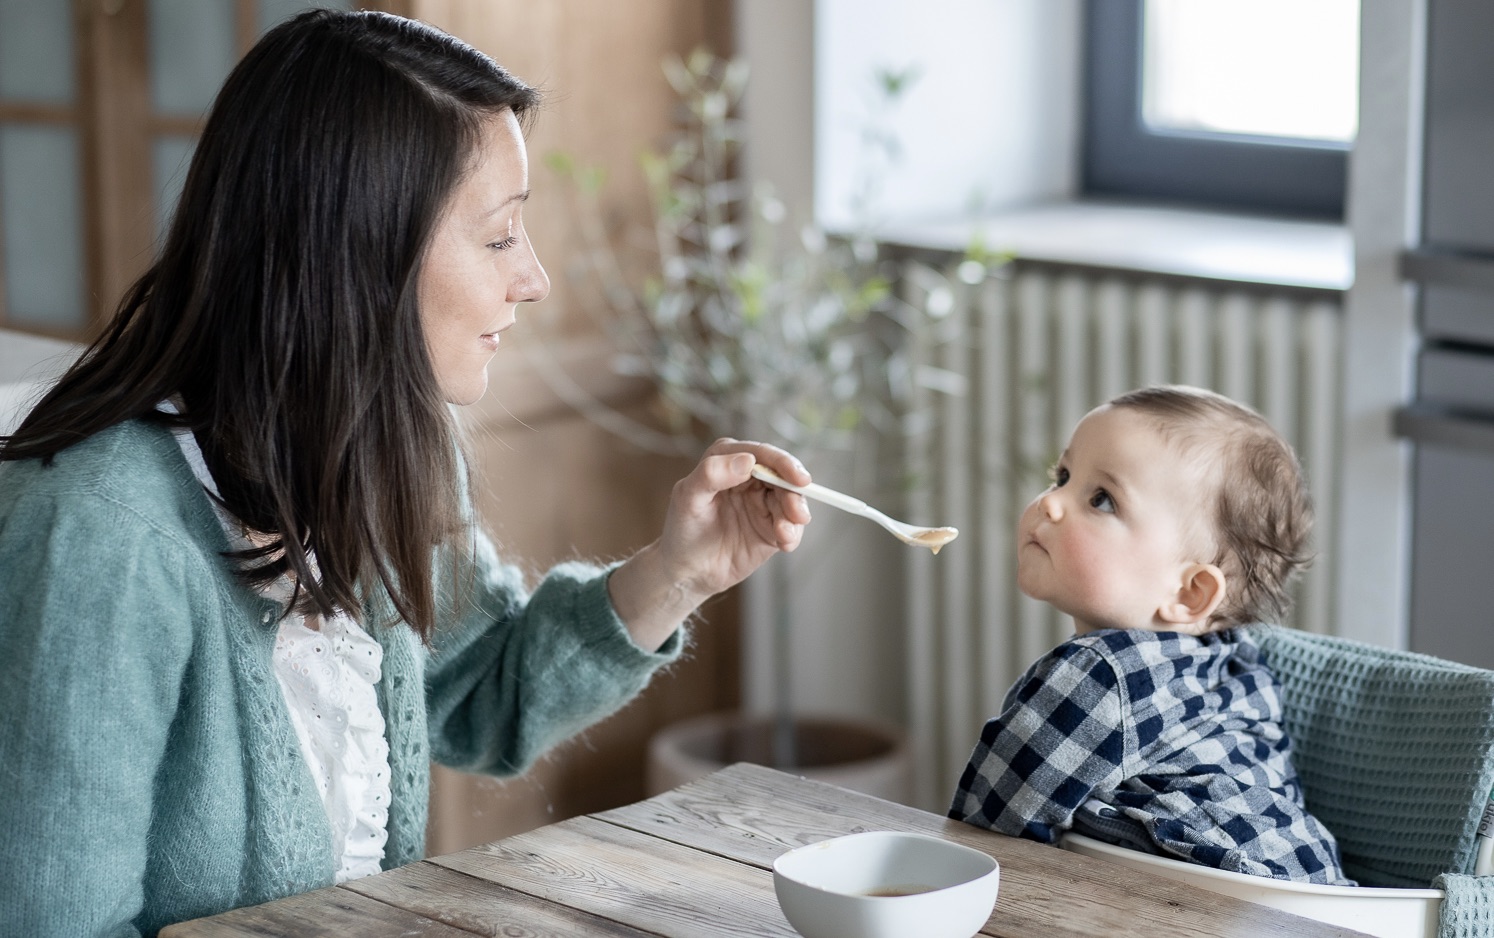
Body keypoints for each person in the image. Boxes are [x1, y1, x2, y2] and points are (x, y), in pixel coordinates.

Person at [0, 10, 812, 936]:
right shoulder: (100, 540)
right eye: (500, 237)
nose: (534, 278)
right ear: (356, 252)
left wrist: (680, 572)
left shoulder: (376, 449)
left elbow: (480, 692)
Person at [948, 385, 1353, 885]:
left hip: (1219, 900)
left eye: (1101, 500)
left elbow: (984, 838)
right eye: (1062, 476)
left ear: (1190, 593)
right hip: (1315, 887)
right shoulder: (1238, 659)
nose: (1050, 503)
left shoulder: (1101, 675)